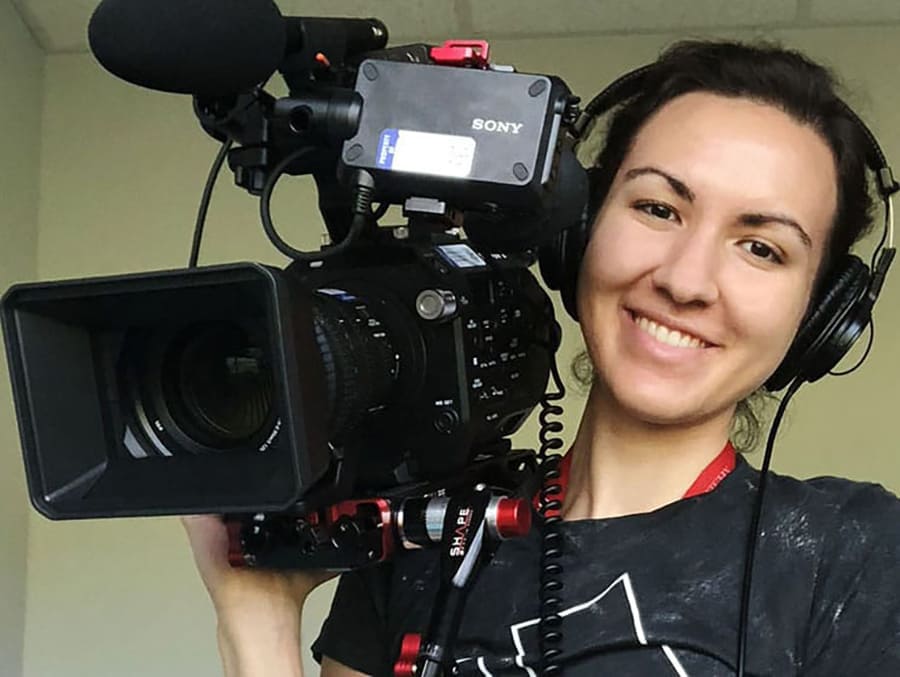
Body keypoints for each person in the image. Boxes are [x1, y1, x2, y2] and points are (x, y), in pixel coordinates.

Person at [183, 40, 900, 676]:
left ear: (818, 316)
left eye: (761, 247)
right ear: (578, 230)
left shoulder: (852, 552)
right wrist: (256, 615)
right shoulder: (425, 528)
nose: (685, 280)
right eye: (658, 208)